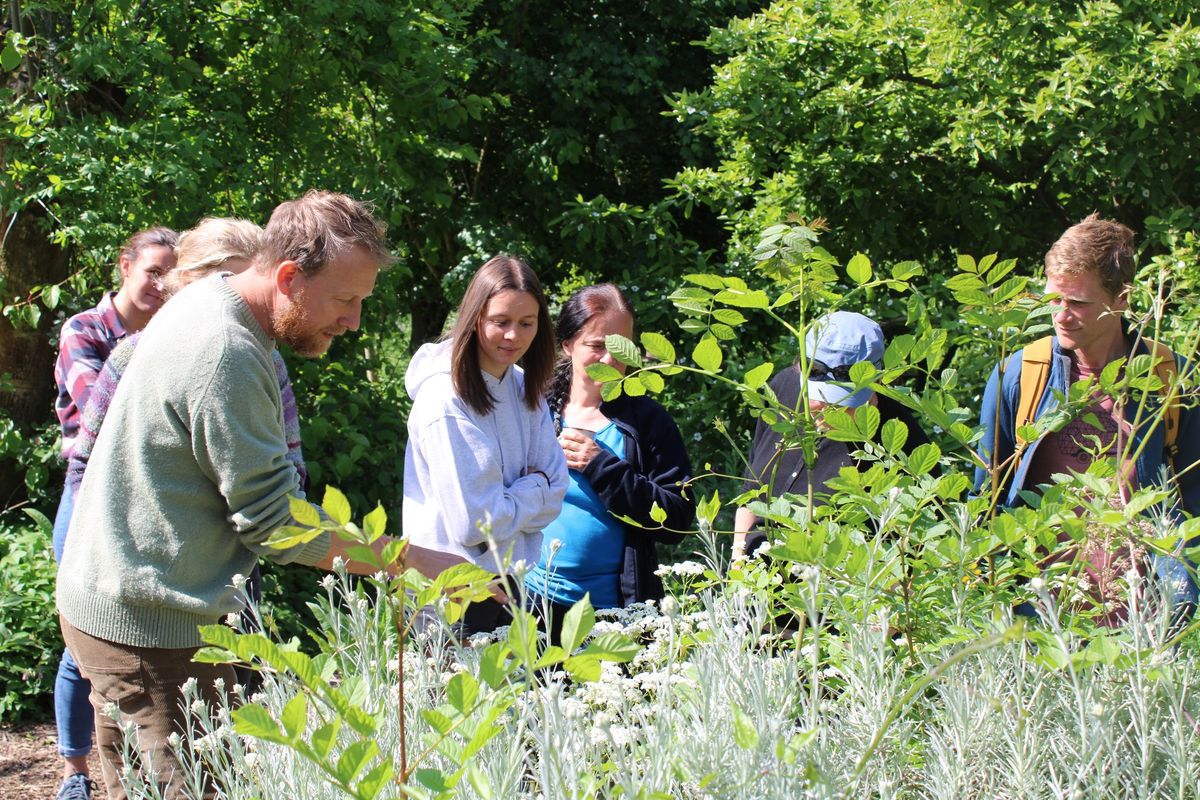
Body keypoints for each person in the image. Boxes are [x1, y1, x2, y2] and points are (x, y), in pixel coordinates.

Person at [56, 191, 464, 800]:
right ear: (288, 277)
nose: (353, 321)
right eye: (346, 300)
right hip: (146, 625)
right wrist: (410, 562)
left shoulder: (215, 299)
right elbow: (274, 523)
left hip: (146, 605)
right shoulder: (227, 349)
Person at [975, 214, 1199, 625]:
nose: (1061, 315)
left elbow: (1194, 502)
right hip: (1039, 622)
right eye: (1053, 300)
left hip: (1144, 625)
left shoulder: (1170, 379)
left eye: (1077, 302)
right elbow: (984, 498)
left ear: (1120, 299)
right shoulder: (1021, 375)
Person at [50, 226, 178, 800]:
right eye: (152, 270)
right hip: (88, 497)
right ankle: (75, 773)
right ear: (125, 267)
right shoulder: (85, 330)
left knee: (134, 641)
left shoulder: (175, 333)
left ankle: (127, 767)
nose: (161, 284)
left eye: (172, 275)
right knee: (84, 639)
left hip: (149, 502)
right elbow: (100, 402)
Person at [404, 255, 569, 636]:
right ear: (476, 319)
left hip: (514, 583)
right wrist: (534, 487)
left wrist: (520, 496)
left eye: (526, 323)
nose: (513, 336)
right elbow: (474, 523)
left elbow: (557, 491)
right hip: (453, 591)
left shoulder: (525, 389)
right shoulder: (444, 400)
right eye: (501, 322)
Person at [523, 284, 694, 641]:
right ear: (568, 345)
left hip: (612, 611)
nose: (610, 359)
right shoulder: (534, 407)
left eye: (622, 347)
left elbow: (677, 519)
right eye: (597, 345)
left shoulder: (647, 422)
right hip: (529, 600)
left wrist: (602, 465)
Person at [734, 311, 929, 559]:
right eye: (818, 396)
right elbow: (750, 492)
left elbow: (906, 557)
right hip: (753, 582)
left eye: (840, 404)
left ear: (877, 384)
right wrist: (736, 564)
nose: (821, 408)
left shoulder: (902, 445)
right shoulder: (783, 388)